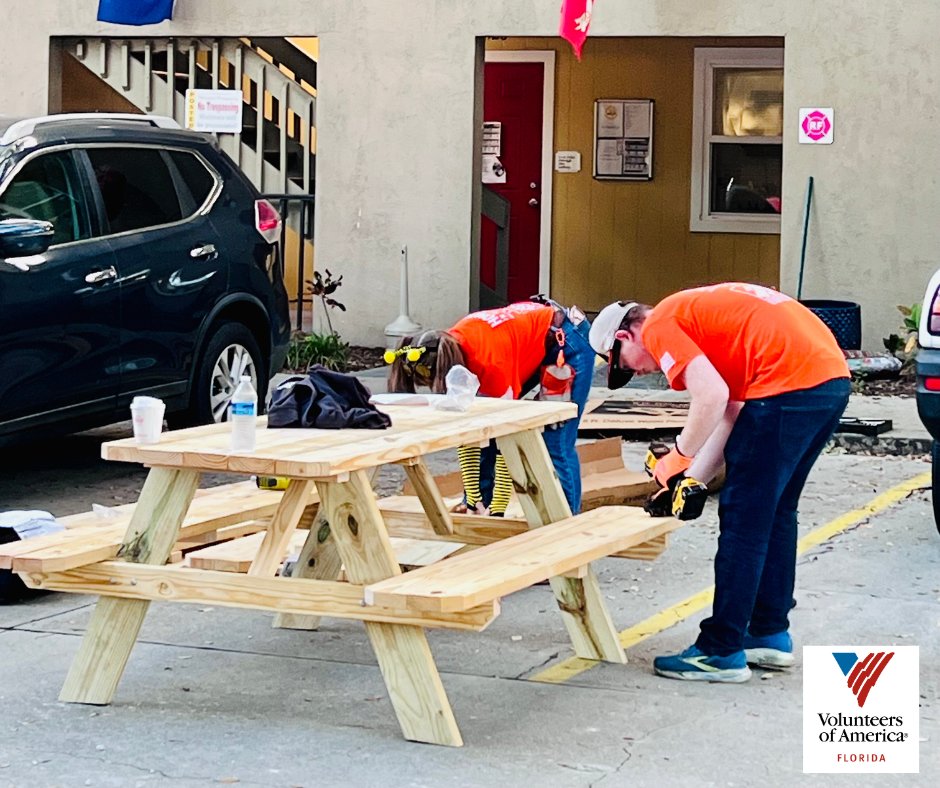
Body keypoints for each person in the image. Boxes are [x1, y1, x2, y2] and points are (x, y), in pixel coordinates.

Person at [590, 283, 850, 683]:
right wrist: (690, 480)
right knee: (777, 511)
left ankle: (720, 651)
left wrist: (677, 457)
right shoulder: (701, 322)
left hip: (785, 387)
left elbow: (710, 397)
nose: (639, 371)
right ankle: (768, 632)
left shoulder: (660, 323)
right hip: (827, 381)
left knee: (743, 523)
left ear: (625, 336)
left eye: (624, 364)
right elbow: (732, 408)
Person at [387, 299, 595, 514]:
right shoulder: (444, 346)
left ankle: (566, 520)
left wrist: (500, 506)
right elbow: (476, 431)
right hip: (528, 340)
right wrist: (474, 499)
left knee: (556, 440)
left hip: (566, 343)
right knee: (482, 425)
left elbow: (508, 430)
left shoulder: (490, 364)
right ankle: (477, 504)